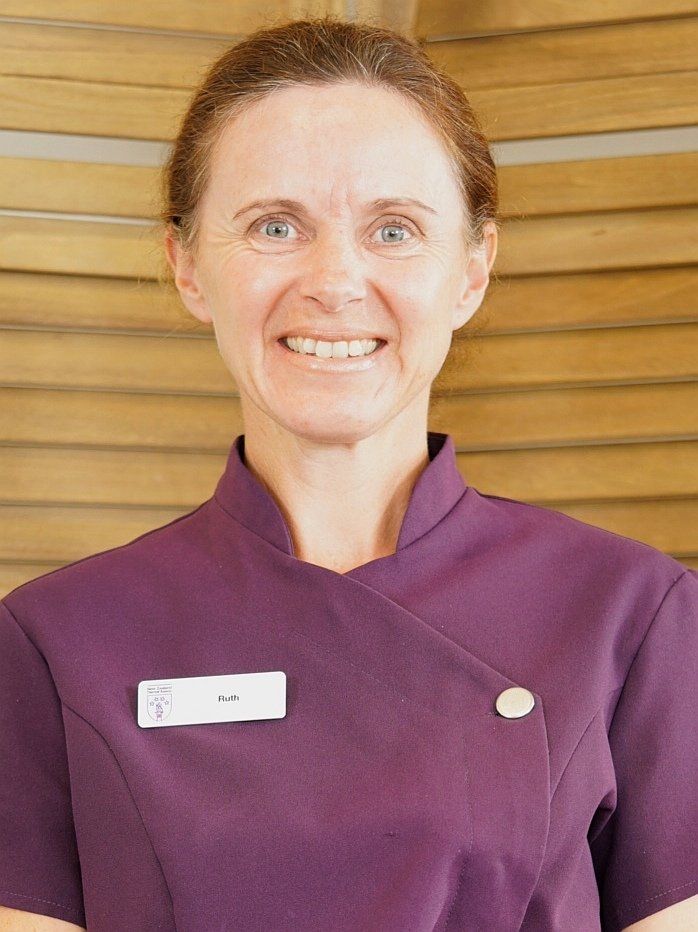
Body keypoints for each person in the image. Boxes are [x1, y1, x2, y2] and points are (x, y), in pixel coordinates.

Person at [1, 15, 696, 932]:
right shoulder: (54, 643)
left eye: (395, 230)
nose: (335, 279)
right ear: (188, 265)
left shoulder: (630, 615)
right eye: (276, 225)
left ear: (473, 270)